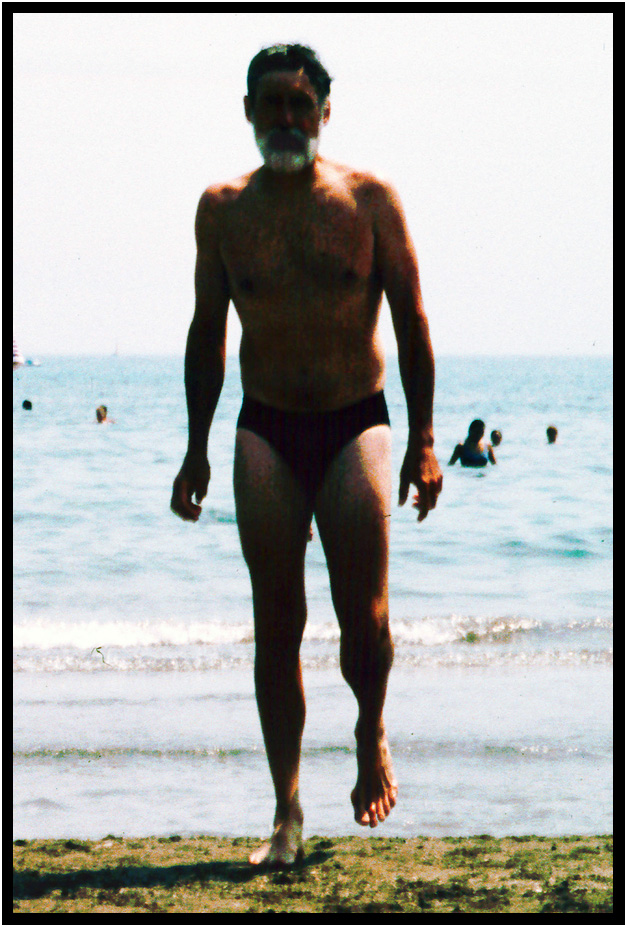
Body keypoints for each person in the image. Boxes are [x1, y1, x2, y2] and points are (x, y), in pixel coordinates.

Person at [170, 44, 442, 868]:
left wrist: (425, 440)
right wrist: (194, 448)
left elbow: (411, 320)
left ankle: (369, 731)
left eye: (299, 103)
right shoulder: (222, 210)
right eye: (271, 104)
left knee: (366, 619)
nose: (285, 118)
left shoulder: (368, 200)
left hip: (355, 419)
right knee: (276, 624)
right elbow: (207, 332)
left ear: (325, 110)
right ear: (248, 112)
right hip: (265, 426)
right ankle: (286, 808)